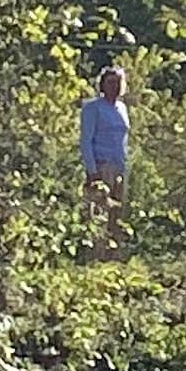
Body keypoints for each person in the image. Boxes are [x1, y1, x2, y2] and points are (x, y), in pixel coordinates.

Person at [77, 65, 132, 250]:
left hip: (119, 166)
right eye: (110, 83)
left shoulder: (122, 108)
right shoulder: (93, 108)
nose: (114, 87)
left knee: (117, 211)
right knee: (100, 211)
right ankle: (95, 253)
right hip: (102, 166)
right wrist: (93, 172)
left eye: (117, 83)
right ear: (102, 85)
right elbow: (86, 141)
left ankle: (113, 253)